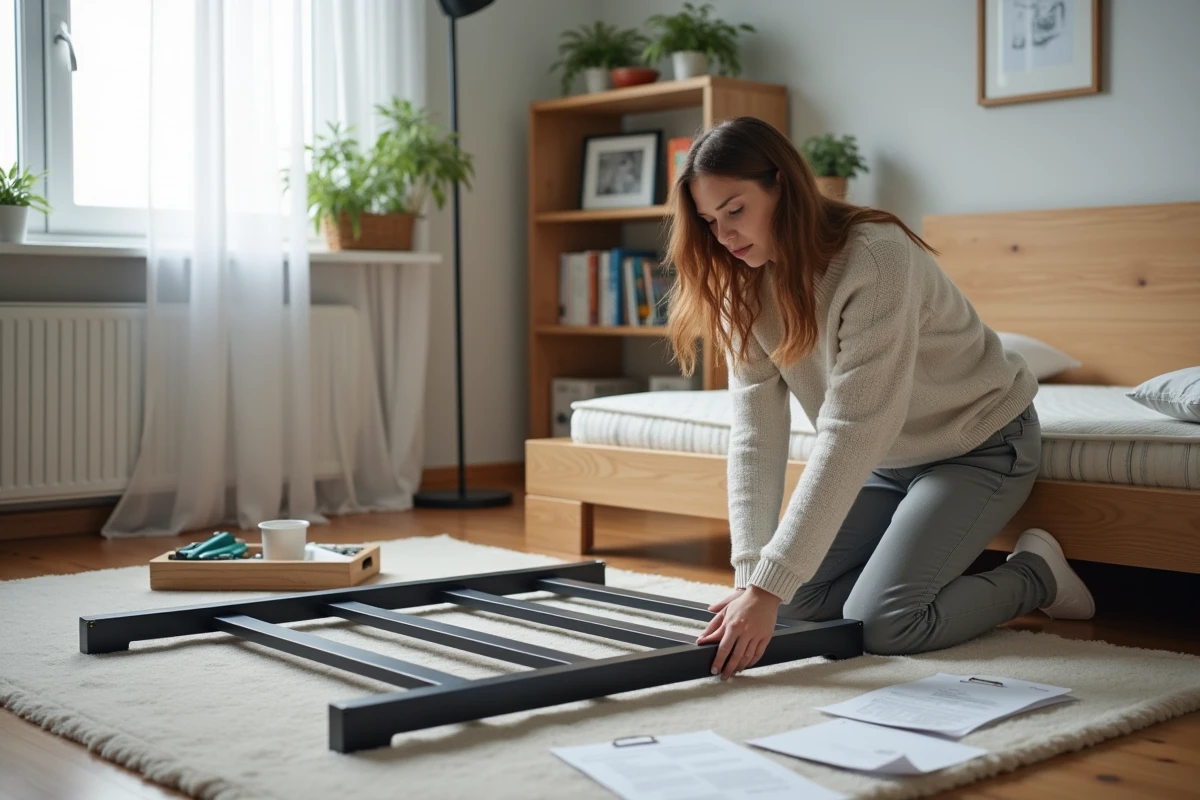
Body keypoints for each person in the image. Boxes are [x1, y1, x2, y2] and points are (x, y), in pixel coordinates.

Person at [663, 117, 1095, 682]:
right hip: (886, 464)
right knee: (785, 604)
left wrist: (769, 583)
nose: (724, 236)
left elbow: (851, 429)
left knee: (882, 623)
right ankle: (906, 563)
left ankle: (1036, 574)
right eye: (709, 220)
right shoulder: (741, 282)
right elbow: (754, 435)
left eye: (736, 210)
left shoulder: (876, 258)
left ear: (782, 186)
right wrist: (754, 578)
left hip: (976, 445)